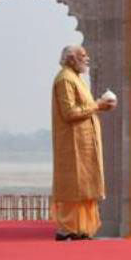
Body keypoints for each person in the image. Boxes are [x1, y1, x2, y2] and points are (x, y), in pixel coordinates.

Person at [51, 45, 116, 241]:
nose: (87, 59)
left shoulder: (76, 79)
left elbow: (84, 107)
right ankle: (68, 228)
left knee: (86, 186)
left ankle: (82, 229)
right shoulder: (64, 79)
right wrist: (98, 105)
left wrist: (100, 105)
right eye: (83, 56)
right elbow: (69, 112)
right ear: (71, 59)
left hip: (84, 143)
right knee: (74, 187)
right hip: (73, 144)